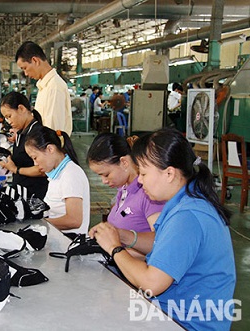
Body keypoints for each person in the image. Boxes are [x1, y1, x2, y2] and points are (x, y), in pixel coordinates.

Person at [89, 128, 236, 330]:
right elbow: (163, 245)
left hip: (185, 323)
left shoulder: (187, 217)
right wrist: (123, 236)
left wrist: (115, 248)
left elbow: (152, 283)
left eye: (143, 173)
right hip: (171, 314)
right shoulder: (185, 203)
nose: (139, 180)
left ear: (169, 173)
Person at [87, 133, 164, 234]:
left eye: (106, 174)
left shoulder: (149, 195)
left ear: (124, 162)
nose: (104, 181)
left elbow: (159, 241)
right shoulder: (124, 190)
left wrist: (121, 241)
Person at [25, 126, 90, 238]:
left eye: (35, 157)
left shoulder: (70, 174)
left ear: (50, 149)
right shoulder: (58, 173)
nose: (35, 164)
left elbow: (74, 220)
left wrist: (40, 223)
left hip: (69, 240)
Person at [0, 91, 48, 200]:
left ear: (21, 109)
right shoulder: (22, 132)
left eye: (9, 116)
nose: (9, 121)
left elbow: (42, 170)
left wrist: (15, 169)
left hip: (34, 195)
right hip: (22, 192)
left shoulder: (36, 133)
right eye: (6, 118)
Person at [15, 41, 72, 136]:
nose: (26, 74)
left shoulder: (54, 87)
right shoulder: (45, 87)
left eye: (25, 68)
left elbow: (51, 130)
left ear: (35, 61)